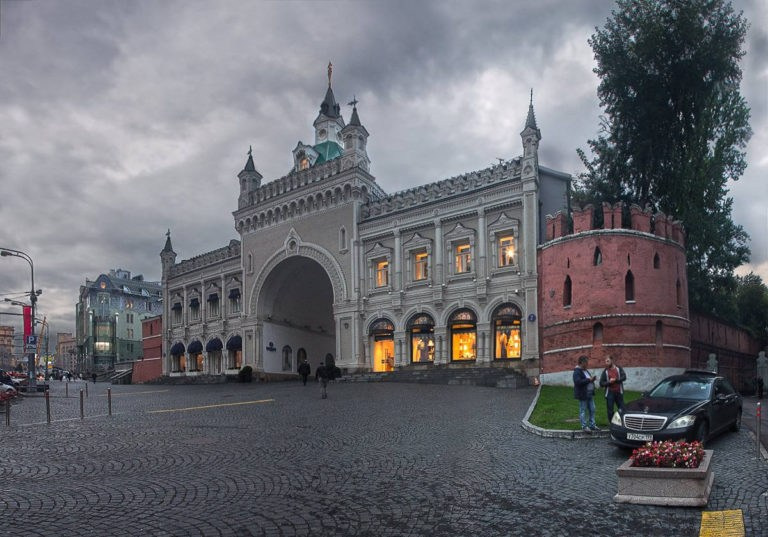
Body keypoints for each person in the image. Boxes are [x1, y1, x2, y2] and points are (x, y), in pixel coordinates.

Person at [573, 355, 598, 432]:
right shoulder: (577, 371)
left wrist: (592, 380)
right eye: (586, 362)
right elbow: (577, 382)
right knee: (583, 410)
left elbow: (588, 380)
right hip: (583, 394)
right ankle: (584, 426)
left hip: (589, 394)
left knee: (592, 409)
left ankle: (592, 425)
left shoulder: (586, 371)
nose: (587, 364)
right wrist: (589, 380)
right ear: (582, 362)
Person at [599, 356, 626, 421]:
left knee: (622, 408)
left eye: (608, 361)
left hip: (619, 392)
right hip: (610, 393)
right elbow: (601, 383)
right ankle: (611, 423)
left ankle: (622, 422)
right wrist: (609, 382)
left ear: (612, 360)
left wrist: (616, 380)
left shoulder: (618, 368)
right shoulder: (605, 371)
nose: (606, 363)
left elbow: (624, 377)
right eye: (605, 362)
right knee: (610, 410)